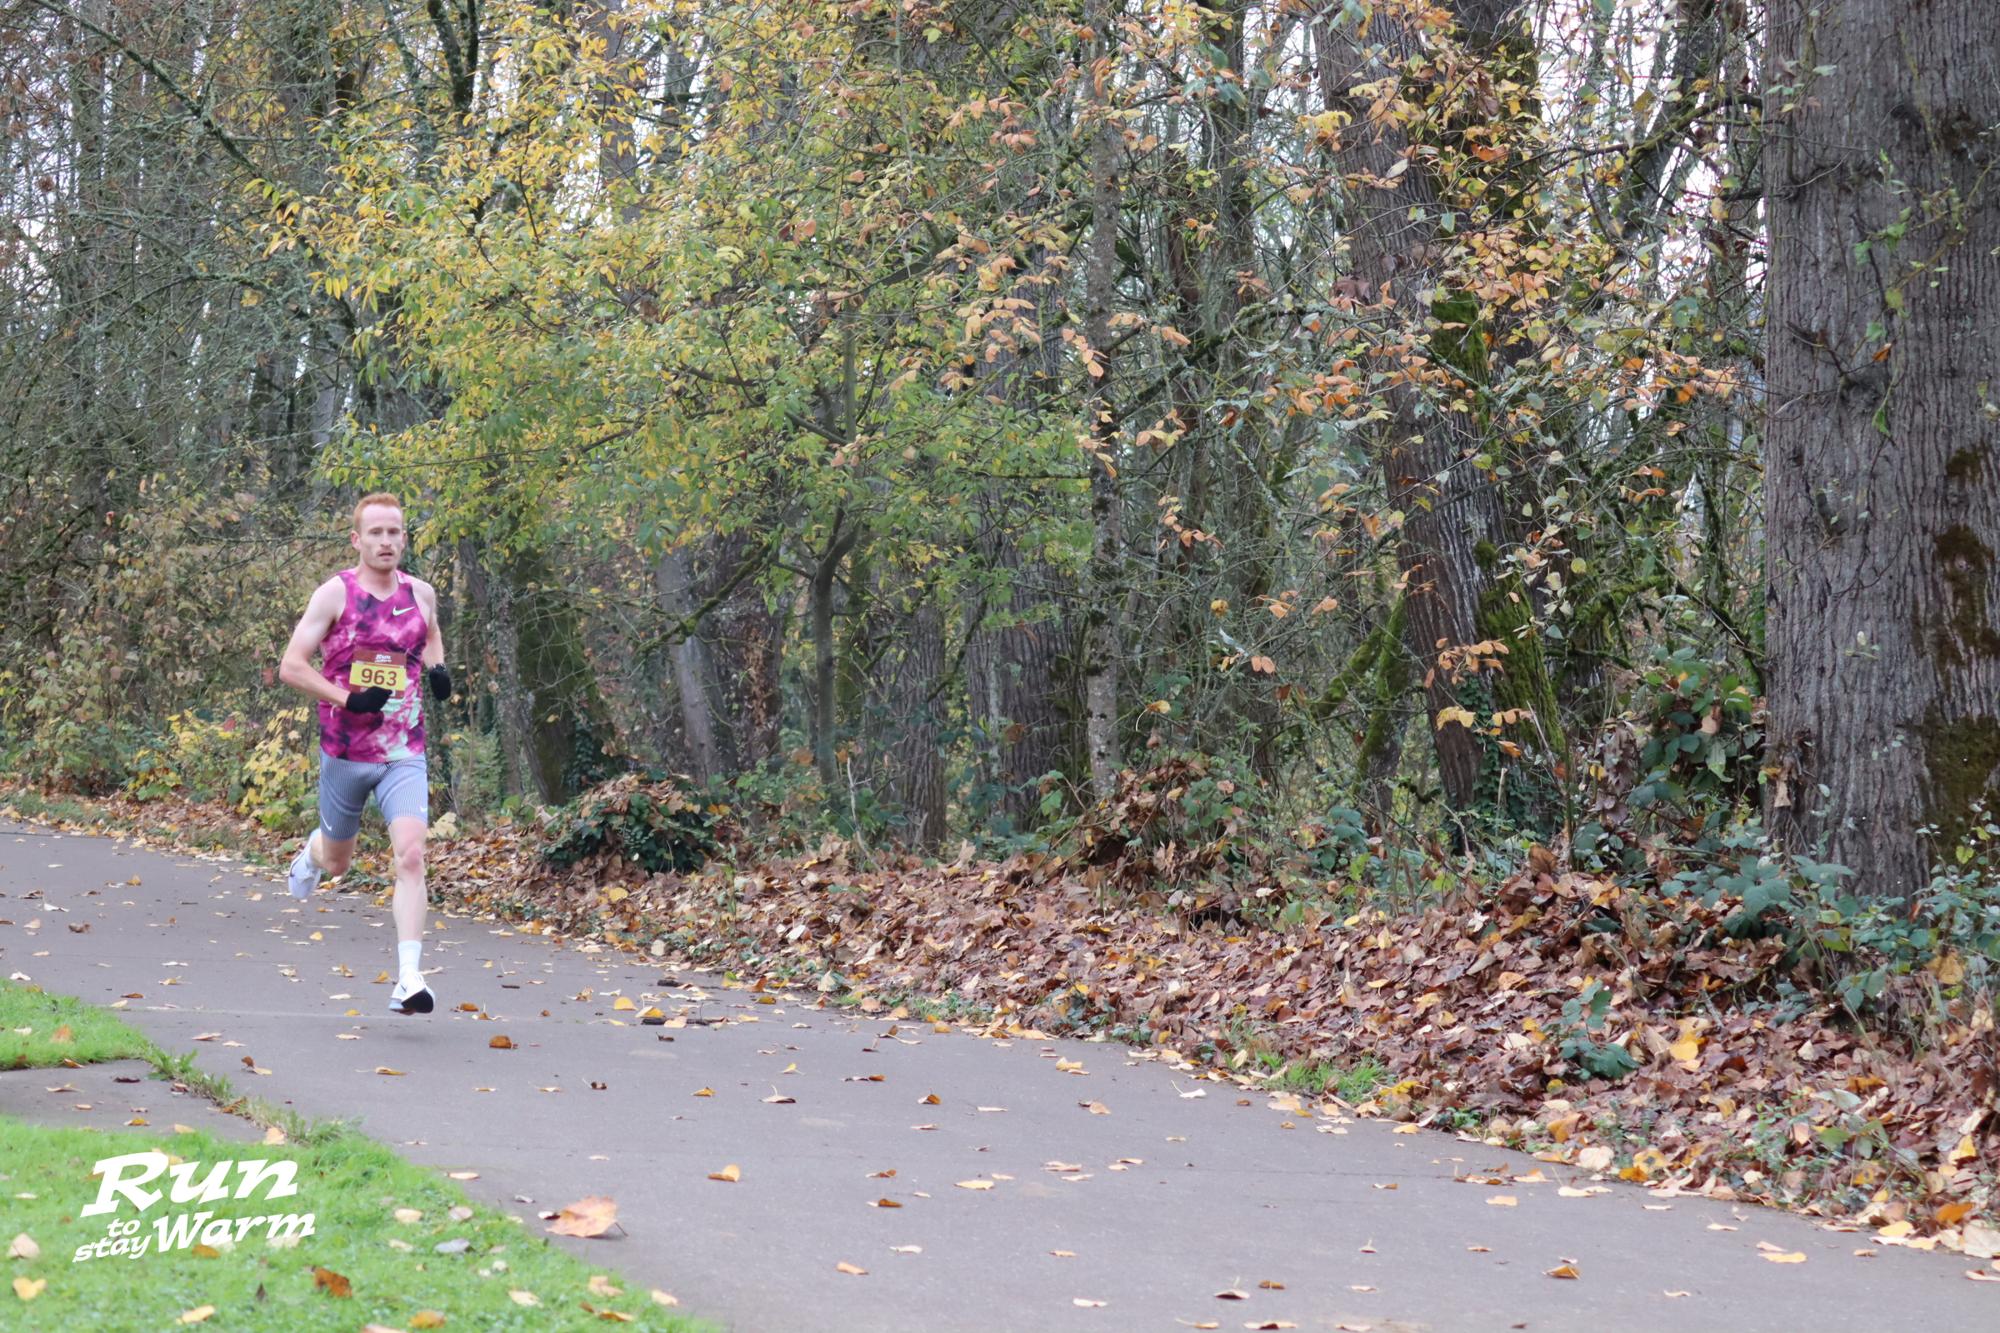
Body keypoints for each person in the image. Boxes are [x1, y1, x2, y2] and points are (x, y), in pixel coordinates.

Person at [276, 492, 451, 1016]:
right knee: (338, 864)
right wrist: (348, 699)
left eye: (394, 532)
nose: (386, 541)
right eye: (375, 533)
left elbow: (430, 635)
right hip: (346, 749)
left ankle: (409, 979)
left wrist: (438, 670)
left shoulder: (421, 593)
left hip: (404, 750)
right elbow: (291, 666)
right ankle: (312, 853)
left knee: (412, 855)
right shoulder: (336, 594)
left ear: (404, 538)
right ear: (357, 540)